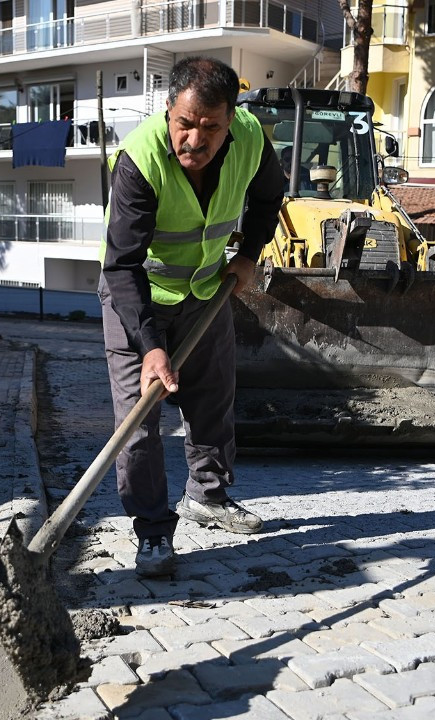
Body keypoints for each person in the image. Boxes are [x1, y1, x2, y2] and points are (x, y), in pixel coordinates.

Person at [98, 57, 286, 577]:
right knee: (139, 421)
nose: (195, 140)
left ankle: (208, 495)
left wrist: (250, 252)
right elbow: (123, 264)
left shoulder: (249, 138)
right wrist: (151, 346)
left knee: (212, 399)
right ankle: (154, 531)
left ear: (230, 120)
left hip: (204, 290)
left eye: (210, 127)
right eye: (184, 123)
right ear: (168, 111)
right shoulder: (139, 160)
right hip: (136, 297)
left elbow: (270, 195)